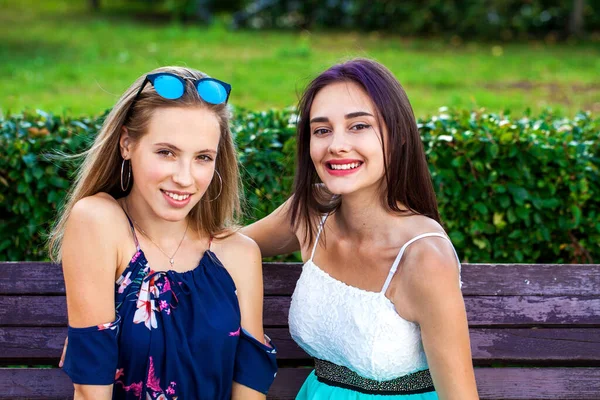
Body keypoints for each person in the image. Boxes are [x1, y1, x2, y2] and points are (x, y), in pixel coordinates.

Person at [243, 58, 479, 399]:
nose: (337, 145)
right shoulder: (312, 211)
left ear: (397, 135)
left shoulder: (425, 257)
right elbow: (230, 246)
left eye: (359, 126)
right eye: (322, 130)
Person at [49, 66, 277, 400]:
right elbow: (89, 390)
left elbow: (250, 385)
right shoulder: (99, 222)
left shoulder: (238, 254)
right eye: (166, 152)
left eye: (202, 157)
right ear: (127, 143)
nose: (185, 178)